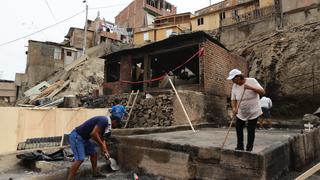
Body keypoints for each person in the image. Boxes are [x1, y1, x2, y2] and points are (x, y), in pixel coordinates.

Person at [227, 69, 265, 152]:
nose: (232, 81)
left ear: (239, 77)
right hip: (241, 111)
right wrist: (234, 108)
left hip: (253, 111)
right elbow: (233, 99)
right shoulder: (235, 86)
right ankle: (240, 146)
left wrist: (250, 87)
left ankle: (249, 148)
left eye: (233, 79)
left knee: (251, 130)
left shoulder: (252, 81)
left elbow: (262, 92)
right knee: (238, 128)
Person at [67, 116, 112, 180]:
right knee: (80, 159)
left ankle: (95, 173)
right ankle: (70, 178)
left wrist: (105, 150)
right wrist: (102, 146)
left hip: (84, 138)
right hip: (77, 136)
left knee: (94, 153)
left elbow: (102, 139)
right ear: (114, 121)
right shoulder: (104, 120)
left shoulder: (106, 125)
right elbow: (93, 134)